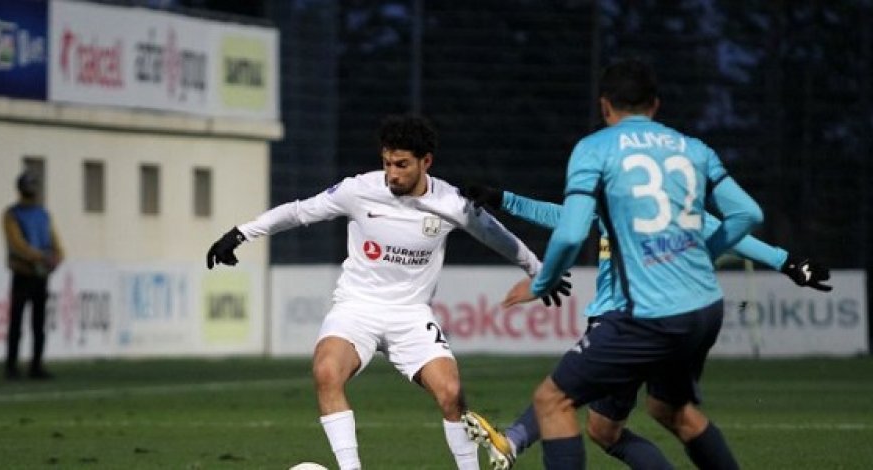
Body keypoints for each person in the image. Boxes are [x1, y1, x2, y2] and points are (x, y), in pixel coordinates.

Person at [205, 114, 569, 470]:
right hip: (356, 308)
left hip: (411, 315)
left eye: (402, 165)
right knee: (327, 371)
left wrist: (540, 271)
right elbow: (300, 212)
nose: (392, 173)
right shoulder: (359, 190)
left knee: (451, 393)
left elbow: (498, 237)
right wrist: (240, 234)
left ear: (426, 162)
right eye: (387, 163)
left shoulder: (451, 203)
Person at [493, 58, 766, 469]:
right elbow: (748, 214)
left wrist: (541, 283)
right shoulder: (695, 149)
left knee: (552, 401)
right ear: (655, 105)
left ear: (605, 105)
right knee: (671, 411)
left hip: (649, 314)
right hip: (705, 308)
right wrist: (704, 254)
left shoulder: (596, 148)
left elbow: (570, 233)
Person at [459, 184, 831, 469]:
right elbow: (560, 217)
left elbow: (736, 236)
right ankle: (512, 442)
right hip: (654, 328)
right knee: (606, 430)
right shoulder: (616, 206)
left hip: (621, 325)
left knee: (556, 396)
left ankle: (512, 442)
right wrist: (503, 199)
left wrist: (789, 263)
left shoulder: (674, 213)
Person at [2, 171, 64, 380]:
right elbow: (17, 244)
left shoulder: (43, 214)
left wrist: (57, 256)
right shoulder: (12, 214)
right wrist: (42, 257)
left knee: (38, 323)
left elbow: (54, 240)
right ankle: (12, 366)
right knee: (17, 323)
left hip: (40, 275)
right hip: (23, 273)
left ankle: (36, 365)